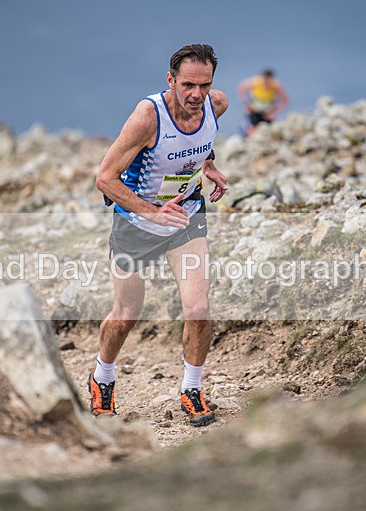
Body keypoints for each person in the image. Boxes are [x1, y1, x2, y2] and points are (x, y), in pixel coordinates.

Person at [90, 43, 229, 427]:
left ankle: (192, 389)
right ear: (170, 80)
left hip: (185, 218)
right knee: (126, 315)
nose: (197, 95)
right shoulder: (147, 117)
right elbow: (105, 179)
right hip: (136, 225)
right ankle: (102, 377)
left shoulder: (216, 104)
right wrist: (153, 212)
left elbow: (201, 140)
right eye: (188, 85)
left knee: (198, 310)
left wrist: (208, 164)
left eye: (204, 85)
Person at [237, 68, 289, 137]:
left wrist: (274, 111)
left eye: (268, 80)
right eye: (264, 79)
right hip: (255, 110)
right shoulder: (255, 82)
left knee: (269, 130)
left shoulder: (276, 86)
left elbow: (285, 101)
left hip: (268, 112)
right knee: (251, 130)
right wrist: (247, 104)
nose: (266, 82)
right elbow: (241, 87)